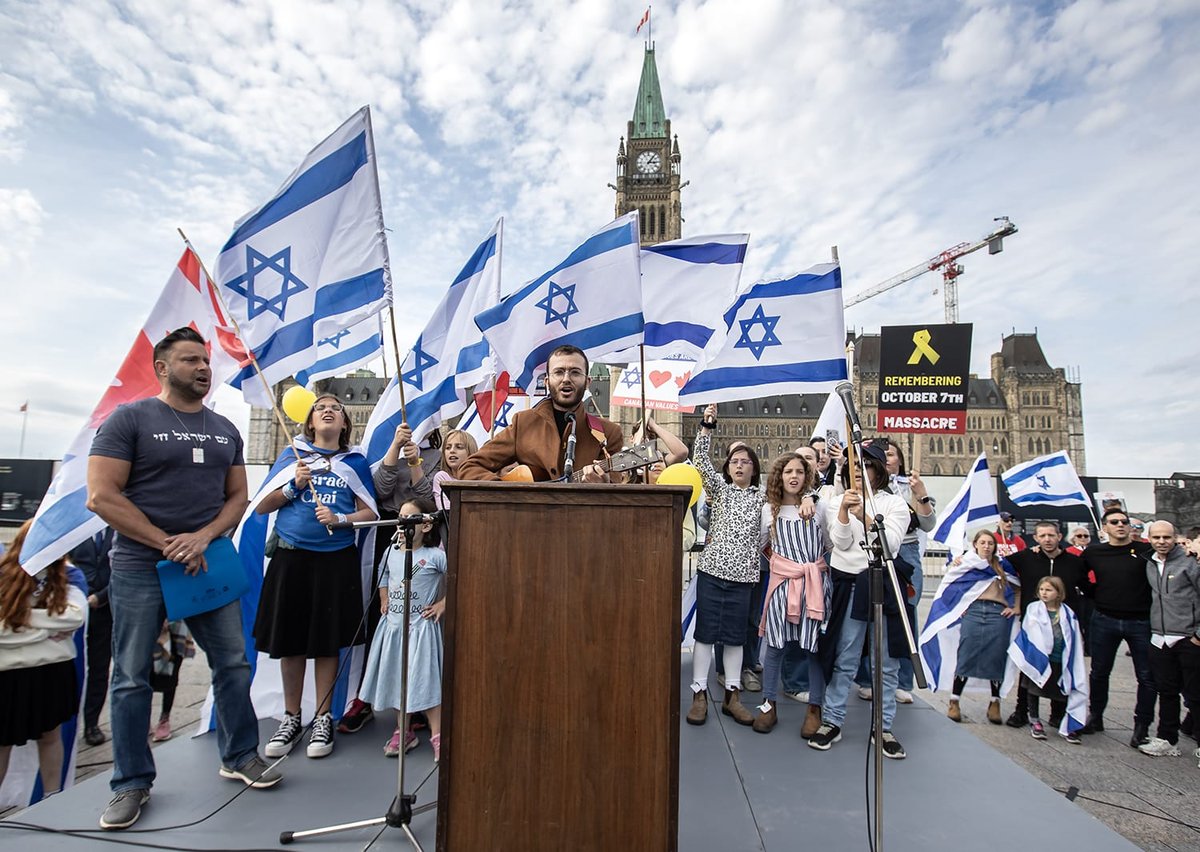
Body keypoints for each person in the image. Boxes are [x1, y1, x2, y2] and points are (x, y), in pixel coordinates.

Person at [87, 327, 279, 831]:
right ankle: (130, 783)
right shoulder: (128, 419)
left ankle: (239, 754)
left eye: (205, 361)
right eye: (191, 360)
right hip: (141, 567)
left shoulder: (224, 429)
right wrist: (167, 542)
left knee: (234, 664)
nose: (202, 368)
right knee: (131, 678)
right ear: (162, 367)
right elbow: (102, 496)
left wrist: (203, 538)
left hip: (208, 562)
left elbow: (237, 498)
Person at [253, 393, 379, 761]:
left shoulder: (353, 463)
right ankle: (291, 717)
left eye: (336, 408)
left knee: (326, 642)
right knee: (289, 641)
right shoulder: (292, 456)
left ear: (344, 424)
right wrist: (293, 485)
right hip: (291, 559)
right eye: (320, 407)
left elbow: (369, 511)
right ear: (310, 422)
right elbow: (262, 504)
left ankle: (323, 716)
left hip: (334, 560)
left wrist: (340, 520)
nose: (328, 410)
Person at [809, 441, 911, 758]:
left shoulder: (894, 504)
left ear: (877, 471)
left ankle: (884, 727)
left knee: (886, 661)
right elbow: (839, 543)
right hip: (850, 584)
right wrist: (842, 512)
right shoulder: (838, 500)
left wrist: (865, 515)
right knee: (846, 656)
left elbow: (890, 545)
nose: (859, 471)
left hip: (882, 582)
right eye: (854, 466)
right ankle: (833, 720)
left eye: (865, 466)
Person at [341, 420, 438, 736]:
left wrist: (415, 463)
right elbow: (380, 491)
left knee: (422, 624)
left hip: (426, 539)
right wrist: (395, 449)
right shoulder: (388, 449)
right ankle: (367, 699)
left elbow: (429, 498)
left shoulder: (437, 454)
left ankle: (420, 702)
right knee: (382, 620)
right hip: (391, 539)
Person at [685, 404, 764, 727]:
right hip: (712, 572)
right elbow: (700, 461)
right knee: (705, 634)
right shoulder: (719, 489)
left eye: (746, 461)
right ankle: (699, 692)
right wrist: (707, 426)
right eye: (735, 461)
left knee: (735, 637)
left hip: (744, 576)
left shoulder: (762, 497)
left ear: (754, 468)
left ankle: (733, 695)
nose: (740, 465)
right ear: (728, 468)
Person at [0, 521, 87, 799]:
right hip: (8, 675)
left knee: (50, 737)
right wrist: (46, 628)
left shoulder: (68, 576)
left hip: (51, 674)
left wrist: (18, 620)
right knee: (2, 743)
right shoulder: (4, 575)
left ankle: (53, 799)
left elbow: (75, 616)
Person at [359, 498, 447, 761]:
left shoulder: (435, 556)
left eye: (410, 518)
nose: (402, 523)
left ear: (426, 525)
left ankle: (437, 734)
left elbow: (459, 577)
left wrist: (443, 603)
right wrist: (384, 598)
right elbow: (383, 574)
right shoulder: (391, 552)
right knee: (400, 680)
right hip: (395, 629)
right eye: (400, 517)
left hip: (421, 630)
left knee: (426, 680)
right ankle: (403, 730)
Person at [458, 345, 624, 482]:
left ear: (587, 382)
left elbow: (618, 482)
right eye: (558, 372)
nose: (566, 378)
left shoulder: (608, 433)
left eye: (575, 372)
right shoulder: (523, 423)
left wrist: (605, 483)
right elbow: (470, 467)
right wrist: (506, 491)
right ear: (546, 382)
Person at [752, 453, 828, 735]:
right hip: (782, 586)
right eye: (788, 472)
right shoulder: (769, 511)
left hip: (814, 586)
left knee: (813, 648)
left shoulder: (818, 508)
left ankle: (814, 708)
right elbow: (761, 544)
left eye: (799, 471)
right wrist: (783, 566)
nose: (793, 476)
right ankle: (768, 705)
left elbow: (829, 543)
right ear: (779, 477)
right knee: (775, 646)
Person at [857, 440, 935, 705]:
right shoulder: (866, 486)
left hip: (906, 551)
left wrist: (921, 493)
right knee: (871, 613)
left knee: (906, 614)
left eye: (891, 454)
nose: (886, 458)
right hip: (874, 550)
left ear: (899, 460)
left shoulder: (908, 487)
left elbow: (927, 522)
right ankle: (867, 679)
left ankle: (903, 681)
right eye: (882, 455)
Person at [1078, 507, 1156, 746]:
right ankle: (1096, 716)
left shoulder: (1146, 551)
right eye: (1114, 522)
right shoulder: (1094, 552)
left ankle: (1141, 725)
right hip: (1105, 619)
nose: (1120, 525)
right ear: (1105, 527)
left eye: (1124, 521)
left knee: (1146, 676)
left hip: (1141, 621)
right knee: (1100, 672)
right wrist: (1097, 595)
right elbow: (1079, 577)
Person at [1004, 522, 1085, 728]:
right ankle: (1022, 710)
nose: (1047, 539)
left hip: (1062, 624)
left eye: (1051, 535)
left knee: (1060, 665)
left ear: (1060, 536)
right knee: (1029, 666)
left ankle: (1057, 713)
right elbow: (995, 564)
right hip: (1034, 623)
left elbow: (1088, 587)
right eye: (1042, 535)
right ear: (1036, 538)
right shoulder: (1026, 558)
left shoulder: (1074, 562)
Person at [1135, 521, 1200, 757]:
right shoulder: (1149, 561)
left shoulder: (1190, 562)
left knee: (1195, 695)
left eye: (1167, 537)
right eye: (1157, 537)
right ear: (1149, 539)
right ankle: (1167, 738)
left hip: (1188, 638)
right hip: (1160, 638)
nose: (1162, 541)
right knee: (1167, 691)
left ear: (1175, 538)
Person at [943, 530, 1021, 725]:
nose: (987, 546)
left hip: (997, 612)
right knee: (966, 653)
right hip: (974, 611)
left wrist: (1016, 607)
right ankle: (954, 700)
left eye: (990, 543)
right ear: (975, 544)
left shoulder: (1003, 565)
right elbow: (950, 585)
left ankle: (995, 702)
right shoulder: (966, 563)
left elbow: (1019, 586)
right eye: (983, 542)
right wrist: (956, 608)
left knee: (996, 656)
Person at [1009, 576, 1087, 744]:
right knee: (1034, 689)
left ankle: (1065, 721)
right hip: (1040, 657)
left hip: (1060, 658)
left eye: (1049, 590)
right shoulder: (1033, 609)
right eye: (1042, 590)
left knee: (1061, 690)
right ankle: (1035, 720)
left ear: (1058, 593)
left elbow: (1073, 636)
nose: (1044, 593)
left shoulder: (1067, 613)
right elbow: (1031, 631)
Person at [70, 527, 114, 747]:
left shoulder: (119, 527)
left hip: (106, 609)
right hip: (74, 607)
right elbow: (66, 564)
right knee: (72, 666)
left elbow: (124, 568)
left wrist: (101, 597)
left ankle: (92, 724)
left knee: (99, 668)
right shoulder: (77, 529)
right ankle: (69, 722)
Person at [148, 620, 194, 742]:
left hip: (176, 620)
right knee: (146, 673)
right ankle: (144, 716)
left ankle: (164, 718)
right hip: (148, 616)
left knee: (171, 671)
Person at [431, 429, 479, 512]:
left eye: (459, 447)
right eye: (448, 448)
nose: (452, 451)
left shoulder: (480, 477)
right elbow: (447, 511)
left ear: (471, 452)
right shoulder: (442, 477)